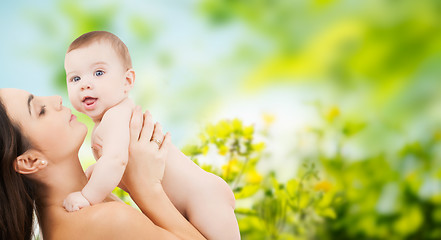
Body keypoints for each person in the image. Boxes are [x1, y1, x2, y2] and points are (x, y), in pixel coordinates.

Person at [63, 31, 240, 239]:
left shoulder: (115, 116)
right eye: (75, 78)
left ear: (127, 81)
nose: (85, 83)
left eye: (99, 73)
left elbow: (116, 161)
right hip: (196, 198)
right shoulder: (114, 118)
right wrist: (92, 172)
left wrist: (87, 196)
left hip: (202, 199)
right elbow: (119, 163)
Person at [0, 88, 207, 239]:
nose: (56, 99)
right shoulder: (106, 220)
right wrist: (146, 187)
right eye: (41, 111)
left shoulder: (78, 209)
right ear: (30, 161)